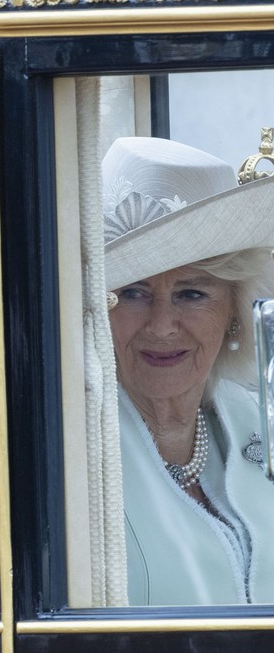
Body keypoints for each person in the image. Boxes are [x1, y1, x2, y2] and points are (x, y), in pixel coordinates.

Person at [102, 136, 274, 605]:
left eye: (191, 294)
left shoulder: (259, 418)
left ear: (234, 310)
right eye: (133, 293)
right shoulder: (72, 450)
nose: (161, 326)